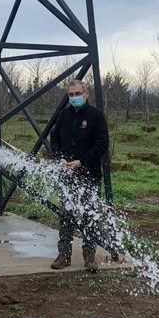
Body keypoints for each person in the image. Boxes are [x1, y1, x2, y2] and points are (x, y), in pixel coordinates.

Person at [47, 79, 109, 273]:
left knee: (89, 215)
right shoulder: (63, 116)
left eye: (77, 94)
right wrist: (60, 158)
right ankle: (63, 255)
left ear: (86, 94)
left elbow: (101, 143)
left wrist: (82, 161)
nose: (74, 97)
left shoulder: (96, 116)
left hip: (88, 173)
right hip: (67, 174)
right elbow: (54, 139)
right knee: (66, 215)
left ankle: (89, 257)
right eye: (71, 95)